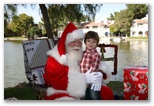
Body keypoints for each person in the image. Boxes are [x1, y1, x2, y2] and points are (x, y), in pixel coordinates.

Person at [43, 22, 114, 100]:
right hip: (61, 91)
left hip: (84, 87)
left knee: (106, 92)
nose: (77, 44)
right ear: (66, 42)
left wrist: (100, 72)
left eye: (79, 42)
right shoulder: (54, 58)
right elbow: (57, 83)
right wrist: (84, 79)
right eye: (74, 41)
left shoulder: (80, 53)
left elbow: (95, 62)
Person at [80, 31, 102, 100]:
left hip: (92, 80)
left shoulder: (95, 54)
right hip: (83, 79)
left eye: (94, 42)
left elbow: (94, 67)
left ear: (97, 44)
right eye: (89, 41)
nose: (91, 43)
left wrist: (88, 80)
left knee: (94, 96)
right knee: (86, 97)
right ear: (85, 42)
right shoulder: (82, 53)